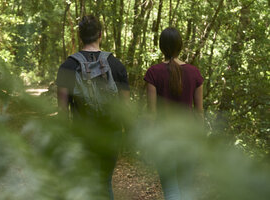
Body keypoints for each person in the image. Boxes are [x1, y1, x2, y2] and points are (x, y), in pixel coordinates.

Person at [56, 15, 130, 199]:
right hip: (110, 136)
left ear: (80, 36)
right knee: (105, 183)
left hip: (82, 136)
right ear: (100, 35)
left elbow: (63, 111)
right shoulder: (116, 66)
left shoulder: (68, 66)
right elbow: (125, 109)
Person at [144, 27, 204, 200]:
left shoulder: (153, 73)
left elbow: (151, 115)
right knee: (185, 190)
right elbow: (199, 114)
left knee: (171, 191)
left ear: (161, 46)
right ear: (181, 45)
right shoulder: (195, 73)